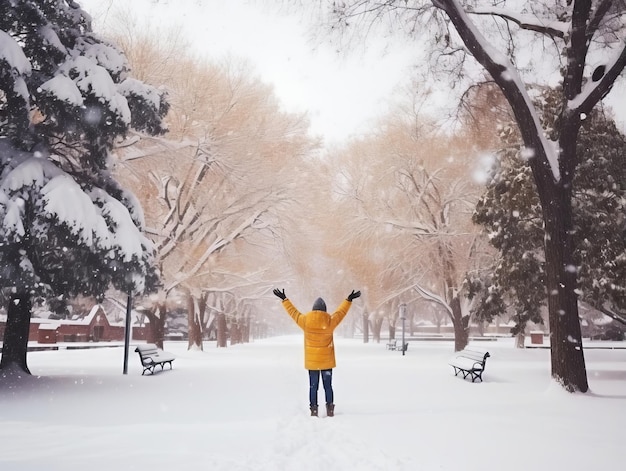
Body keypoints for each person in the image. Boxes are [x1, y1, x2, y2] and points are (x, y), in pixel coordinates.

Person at [272, 288, 361, 417]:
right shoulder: (330, 321)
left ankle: (314, 410)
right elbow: (341, 312)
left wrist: (284, 299)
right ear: (325, 310)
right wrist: (348, 300)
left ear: (313, 309)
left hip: (312, 362)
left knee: (313, 387)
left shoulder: (305, 321)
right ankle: (330, 409)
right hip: (327, 362)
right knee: (328, 386)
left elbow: (293, 313)